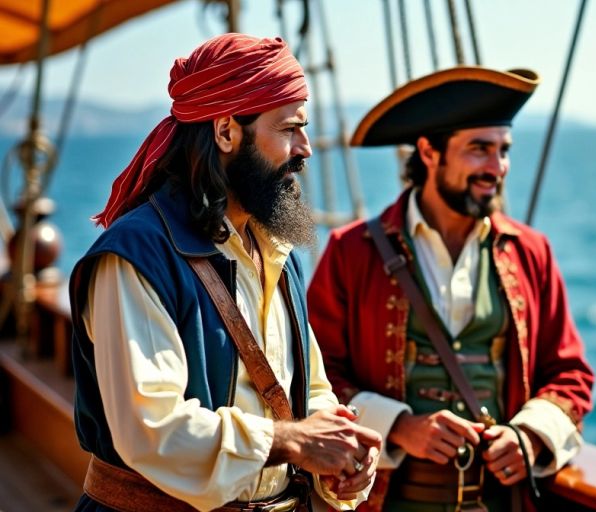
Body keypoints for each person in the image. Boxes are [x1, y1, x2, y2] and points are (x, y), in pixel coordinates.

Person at [69, 33, 381, 511]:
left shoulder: (273, 247)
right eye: (290, 128)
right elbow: (152, 430)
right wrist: (293, 441)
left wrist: (339, 455)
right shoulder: (136, 255)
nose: (306, 148)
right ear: (226, 131)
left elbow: (311, 390)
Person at [307, 66, 595, 511]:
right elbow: (314, 378)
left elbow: (570, 376)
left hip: (503, 501)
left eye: (503, 151)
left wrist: (528, 436)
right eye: (479, 150)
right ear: (428, 151)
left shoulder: (531, 251)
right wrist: (399, 426)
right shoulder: (351, 252)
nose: (496, 168)